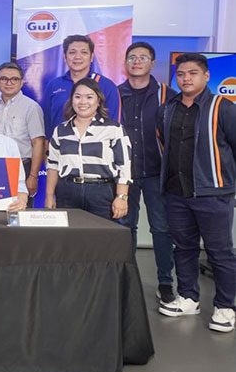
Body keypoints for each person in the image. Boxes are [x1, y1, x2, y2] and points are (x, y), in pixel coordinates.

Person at [157, 53, 236, 333]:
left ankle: (225, 307)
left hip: (213, 194)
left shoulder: (223, 107)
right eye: (180, 74)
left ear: (205, 76)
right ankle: (189, 297)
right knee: (184, 248)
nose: (186, 79)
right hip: (176, 193)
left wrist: (227, 185)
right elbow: (164, 143)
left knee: (220, 253)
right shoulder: (167, 108)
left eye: (192, 73)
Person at [117, 41, 176, 303]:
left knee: (161, 228)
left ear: (152, 63)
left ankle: (165, 282)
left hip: (157, 173)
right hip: (124, 175)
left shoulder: (168, 95)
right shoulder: (115, 94)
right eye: (132, 57)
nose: (137, 61)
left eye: (143, 57)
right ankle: (125, 280)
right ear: (125, 63)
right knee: (124, 227)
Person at [45, 78, 131, 223]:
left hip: (101, 193)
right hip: (67, 193)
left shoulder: (114, 129)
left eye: (89, 97)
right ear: (72, 100)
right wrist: (49, 195)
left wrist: (121, 197)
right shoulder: (60, 130)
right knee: (69, 235)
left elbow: (124, 165)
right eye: (78, 97)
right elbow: (53, 166)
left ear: (98, 101)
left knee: (101, 235)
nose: (83, 102)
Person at [43, 34, 121, 139]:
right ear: (65, 57)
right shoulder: (54, 85)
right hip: (60, 146)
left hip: (96, 147)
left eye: (84, 52)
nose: (77, 57)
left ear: (91, 57)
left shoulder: (107, 86)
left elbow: (115, 126)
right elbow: (47, 125)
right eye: (72, 52)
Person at [0, 61, 45, 204]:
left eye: (14, 79)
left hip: (21, 167)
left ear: (21, 82)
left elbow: (38, 143)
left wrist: (33, 176)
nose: (9, 83)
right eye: (4, 79)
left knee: (20, 210)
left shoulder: (31, 107)